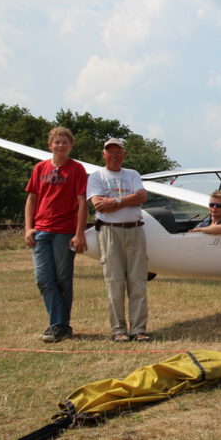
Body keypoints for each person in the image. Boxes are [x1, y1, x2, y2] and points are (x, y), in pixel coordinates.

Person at [24, 127, 88, 343]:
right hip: (41, 231)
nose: (60, 146)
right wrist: (28, 228)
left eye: (64, 142)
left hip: (64, 232)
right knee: (43, 279)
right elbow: (32, 199)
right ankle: (59, 325)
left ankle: (59, 326)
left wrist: (79, 234)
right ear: (50, 145)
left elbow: (82, 203)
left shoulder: (77, 169)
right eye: (57, 142)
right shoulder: (40, 168)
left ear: (71, 145)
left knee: (62, 280)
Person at [87, 138, 151, 342]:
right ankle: (118, 330)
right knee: (114, 281)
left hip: (134, 230)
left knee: (138, 281)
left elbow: (141, 197)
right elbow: (98, 205)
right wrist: (126, 200)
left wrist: (114, 201)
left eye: (118, 152)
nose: (114, 156)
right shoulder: (96, 176)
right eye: (110, 152)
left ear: (124, 155)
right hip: (109, 232)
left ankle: (139, 329)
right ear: (103, 154)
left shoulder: (132, 174)